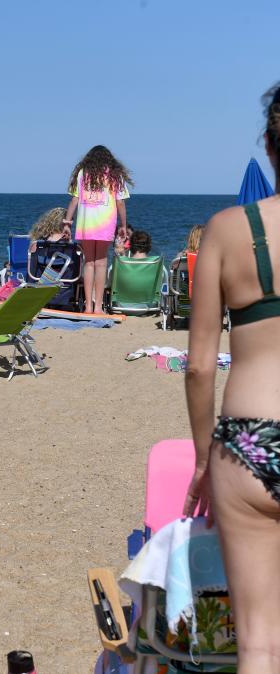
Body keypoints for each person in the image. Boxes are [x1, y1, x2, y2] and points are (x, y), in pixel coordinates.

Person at [182, 82, 280, 674]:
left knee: (259, 647)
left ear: (271, 147)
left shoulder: (227, 228)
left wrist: (201, 456)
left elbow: (198, 365)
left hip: (248, 439)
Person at [62, 145, 133, 313]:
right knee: (101, 264)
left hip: (86, 223)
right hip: (105, 223)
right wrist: (123, 225)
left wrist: (67, 223)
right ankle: (98, 307)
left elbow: (74, 200)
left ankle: (87, 306)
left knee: (89, 263)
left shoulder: (82, 174)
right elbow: (120, 202)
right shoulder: (115, 175)